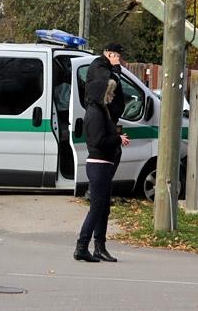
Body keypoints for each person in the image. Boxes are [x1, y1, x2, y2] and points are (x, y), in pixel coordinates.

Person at [73, 79, 130, 262]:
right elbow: (99, 141)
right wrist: (117, 139)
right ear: (103, 93)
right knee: (97, 207)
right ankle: (82, 246)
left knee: (103, 208)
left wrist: (116, 137)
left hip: (102, 164)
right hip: (99, 164)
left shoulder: (100, 110)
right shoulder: (96, 113)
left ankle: (99, 247)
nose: (112, 96)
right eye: (110, 93)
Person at [86, 42, 126, 168]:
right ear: (109, 54)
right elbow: (113, 81)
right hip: (103, 116)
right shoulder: (99, 65)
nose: (119, 60)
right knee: (110, 152)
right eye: (118, 56)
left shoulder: (106, 66)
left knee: (115, 153)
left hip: (108, 116)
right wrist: (116, 67)